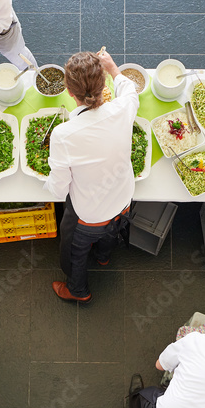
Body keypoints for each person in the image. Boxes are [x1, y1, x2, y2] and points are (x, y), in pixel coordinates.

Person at [45, 50, 139, 302]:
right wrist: (112, 68)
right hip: (123, 203)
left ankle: (78, 291)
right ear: (104, 85)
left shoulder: (63, 134)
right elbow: (130, 89)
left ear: (69, 91)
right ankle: (103, 257)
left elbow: (59, 189)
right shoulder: (122, 109)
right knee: (111, 233)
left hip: (89, 217)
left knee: (75, 251)